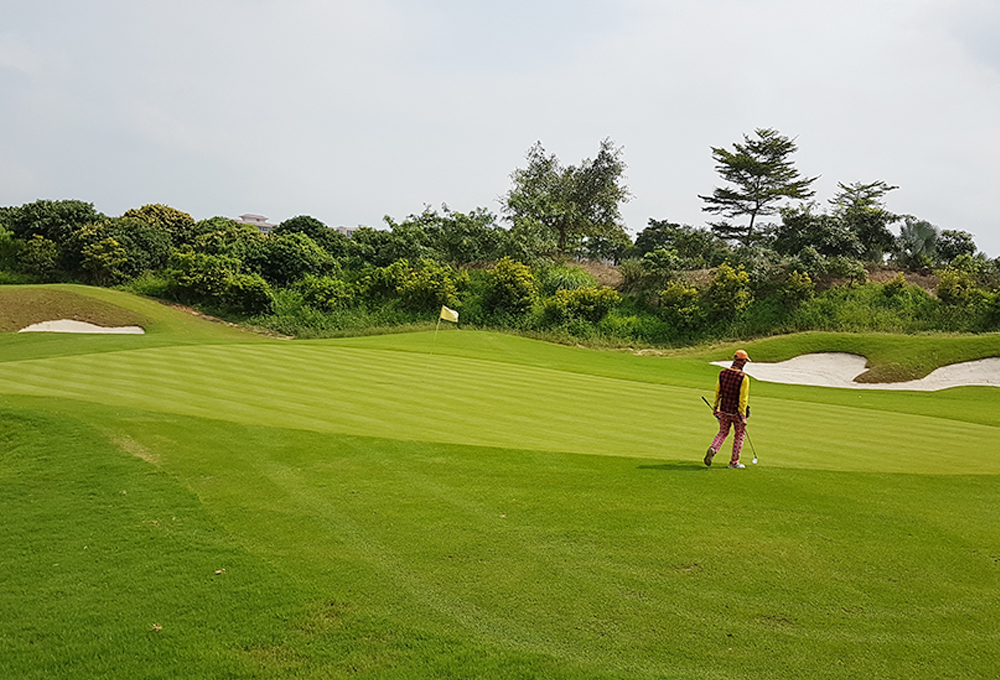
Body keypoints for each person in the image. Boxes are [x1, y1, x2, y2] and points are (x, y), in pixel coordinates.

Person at [704, 349, 751, 469]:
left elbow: (718, 392)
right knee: (739, 435)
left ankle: (713, 448)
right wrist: (743, 416)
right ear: (742, 362)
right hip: (736, 412)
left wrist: (715, 407)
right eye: (745, 361)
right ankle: (734, 462)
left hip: (724, 409)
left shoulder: (722, 373)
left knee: (723, 432)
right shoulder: (743, 378)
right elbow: (743, 399)